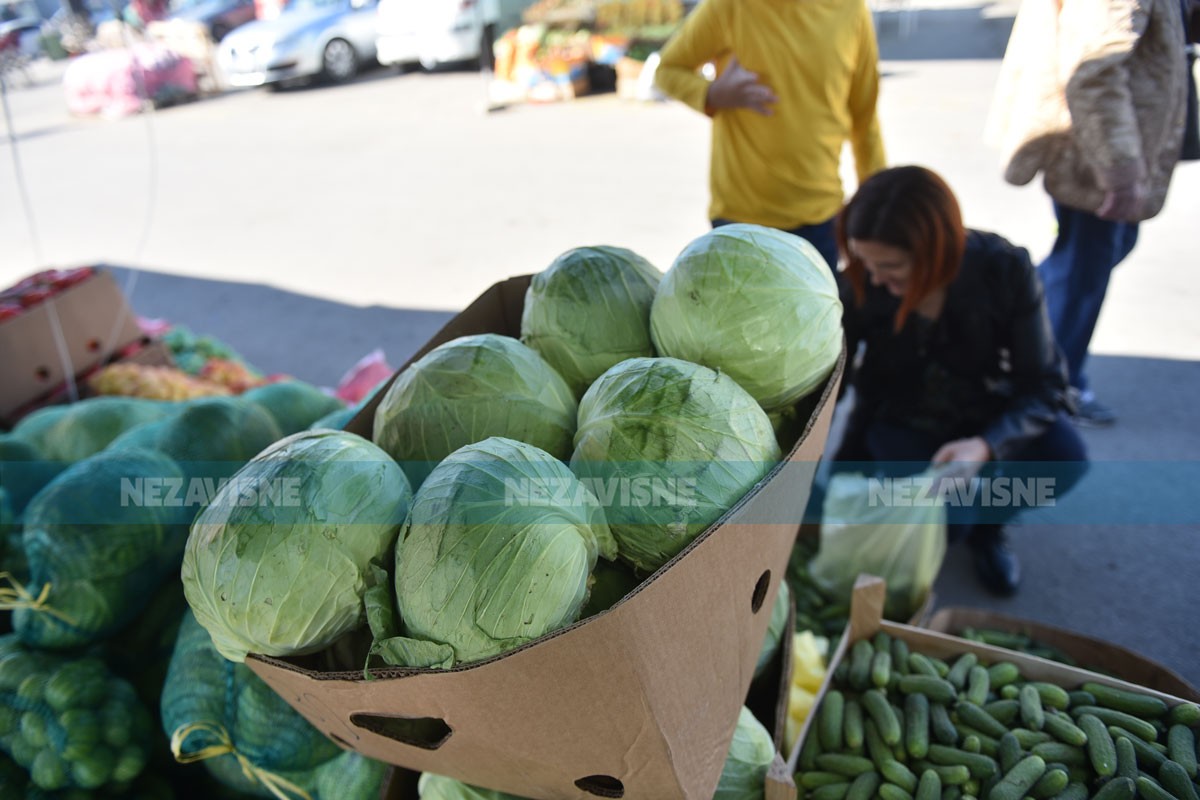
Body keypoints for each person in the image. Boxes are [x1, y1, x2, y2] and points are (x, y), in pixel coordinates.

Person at [830, 166, 1088, 596]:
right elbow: (833, 385)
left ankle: (991, 527)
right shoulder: (859, 281)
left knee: (1064, 458)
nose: (874, 279)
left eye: (890, 266)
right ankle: (964, 522)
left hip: (984, 412)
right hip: (901, 418)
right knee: (949, 521)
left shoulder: (1004, 269)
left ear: (937, 251)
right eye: (865, 262)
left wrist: (985, 446)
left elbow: (1045, 386)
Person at [985, 0, 1190, 426]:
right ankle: (1048, 389)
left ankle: (1012, 344)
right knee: (1082, 272)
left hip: (1109, 146)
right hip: (1095, 153)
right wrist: (1121, 171)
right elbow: (1093, 73)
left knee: (1088, 260)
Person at [652, 0, 886, 270]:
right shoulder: (730, 7)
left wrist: (875, 206)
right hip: (739, 219)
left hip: (821, 217)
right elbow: (667, 70)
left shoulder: (850, 10)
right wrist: (712, 94)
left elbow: (864, 117)